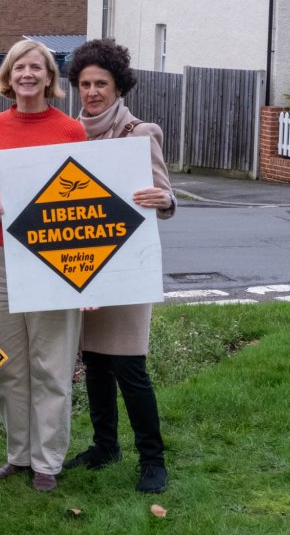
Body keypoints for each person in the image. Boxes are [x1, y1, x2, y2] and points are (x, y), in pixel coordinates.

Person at [0, 40, 87, 493]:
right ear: (8, 76)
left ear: (50, 77)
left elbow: (86, 196)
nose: (27, 74)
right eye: (19, 67)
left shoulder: (70, 130)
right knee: (10, 365)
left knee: (51, 364)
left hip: (53, 259)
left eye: (37, 67)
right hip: (0, 256)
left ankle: (47, 462)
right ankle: (18, 455)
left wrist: (87, 276)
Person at [62, 38, 176, 494]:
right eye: (85, 84)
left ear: (118, 86)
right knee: (93, 363)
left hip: (126, 269)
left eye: (101, 84)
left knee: (129, 367)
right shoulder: (68, 133)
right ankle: (105, 446)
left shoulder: (139, 134)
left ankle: (153, 459)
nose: (92, 92)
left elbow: (165, 197)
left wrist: (163, 199)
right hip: (83, 268)